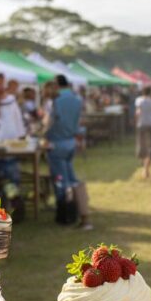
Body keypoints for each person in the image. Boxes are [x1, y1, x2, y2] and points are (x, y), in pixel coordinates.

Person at [44, 74, 89, 229]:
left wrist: (42, 132)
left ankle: (65, 214)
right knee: (71, 178)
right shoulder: (77, 99)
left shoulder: (56, 101)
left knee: (60, 180)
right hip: (71, 142)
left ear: (56, 85)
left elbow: (50, 123)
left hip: (56, 143)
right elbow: (78, 122)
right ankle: (80, 211)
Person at [135, 87, 151, 178]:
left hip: (142, 124)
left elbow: (138, 112)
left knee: (142, 146)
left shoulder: (138, 100)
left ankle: (144, 166)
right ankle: (146, 168)